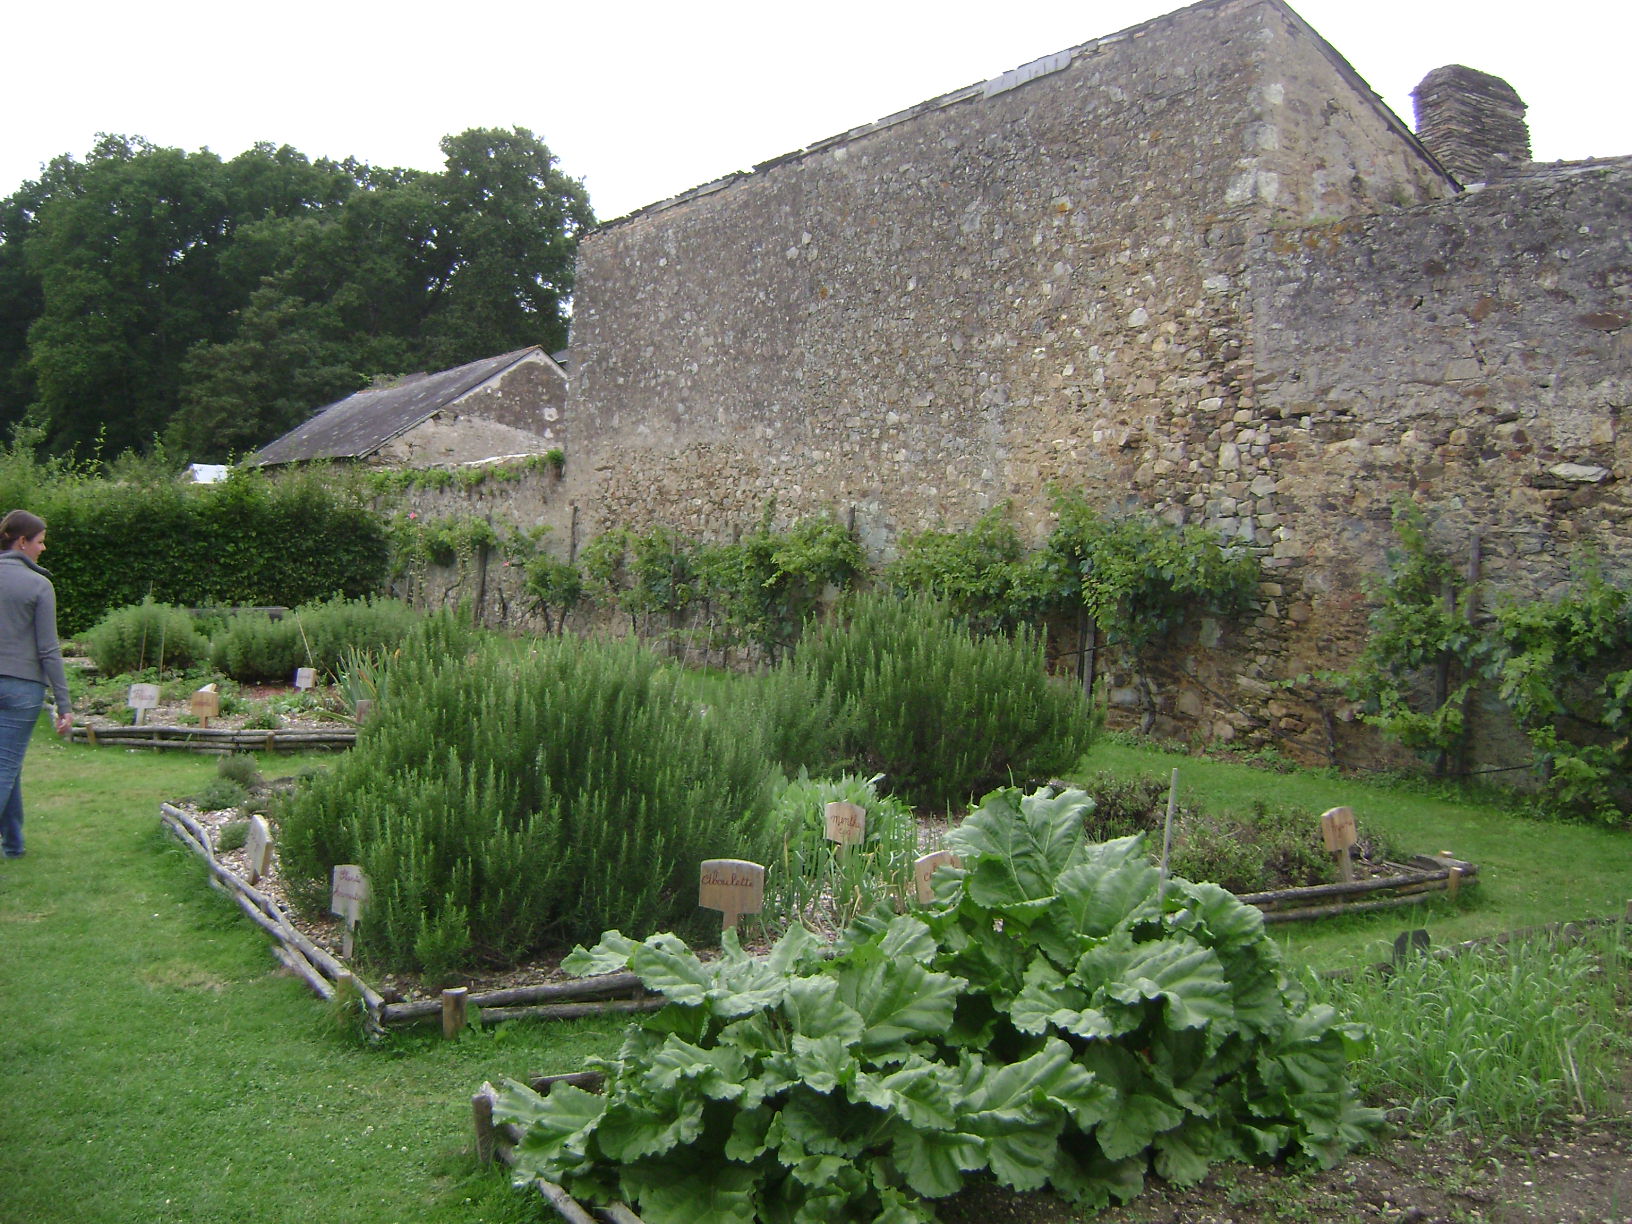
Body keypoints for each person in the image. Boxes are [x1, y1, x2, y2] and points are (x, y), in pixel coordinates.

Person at [0, 509, 72, 859]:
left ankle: (13, 845)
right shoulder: (39, 584)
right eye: (40, 541)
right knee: (4, 765)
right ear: (23, 541)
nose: (43, 548)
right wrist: (65, 704)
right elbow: (49, 650)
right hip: (22, 688)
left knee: (6, 765)